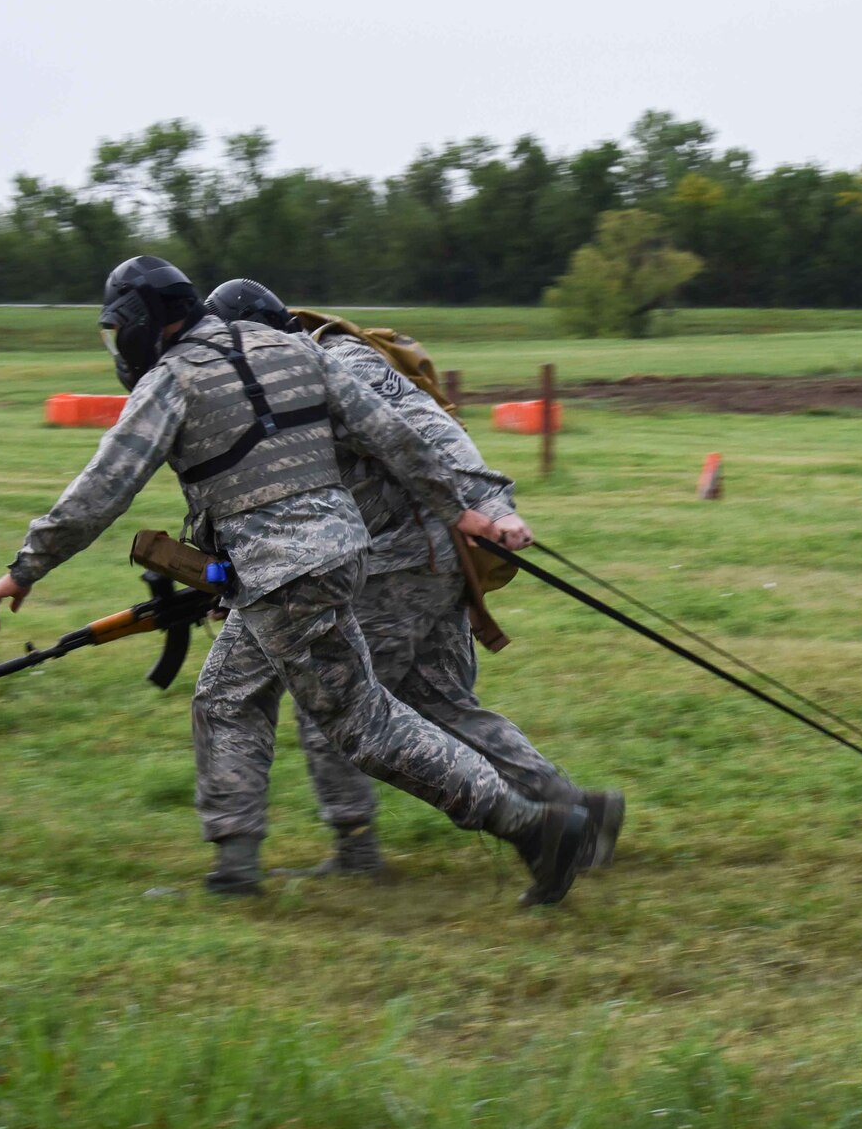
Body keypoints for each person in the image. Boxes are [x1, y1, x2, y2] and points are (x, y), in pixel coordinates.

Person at [0, 256, 611, 904]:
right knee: (225, 696)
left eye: (119, 332)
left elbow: (103, 487)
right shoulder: (291, 349)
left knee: (366, 726)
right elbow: (390, 434)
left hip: (285, 573)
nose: (119, 348)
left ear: (145, 322)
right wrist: (466, 509)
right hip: (341, 554)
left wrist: (24, 568)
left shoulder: (172, 379)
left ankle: (538, 829)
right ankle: (235, 867)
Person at [197, 279, 617, 883]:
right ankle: (577, 813)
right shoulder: (272, 384)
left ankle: (357, 853)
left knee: (335, 707)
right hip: (408, 557)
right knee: (436, 705)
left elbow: (428, 429)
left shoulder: (342, 361)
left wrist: (490, 505)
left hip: (398, 560)